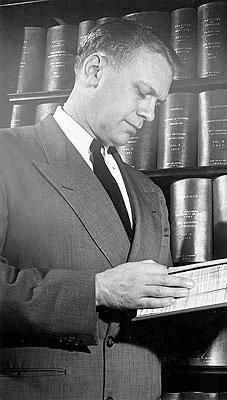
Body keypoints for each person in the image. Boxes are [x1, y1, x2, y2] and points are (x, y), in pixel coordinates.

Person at [0, 19, 194, 400]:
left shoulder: (149, 192)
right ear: (94, 70)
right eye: (142, 93)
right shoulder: (7, 154)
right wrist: (96, 290)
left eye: (157, 102)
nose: (150, 114)